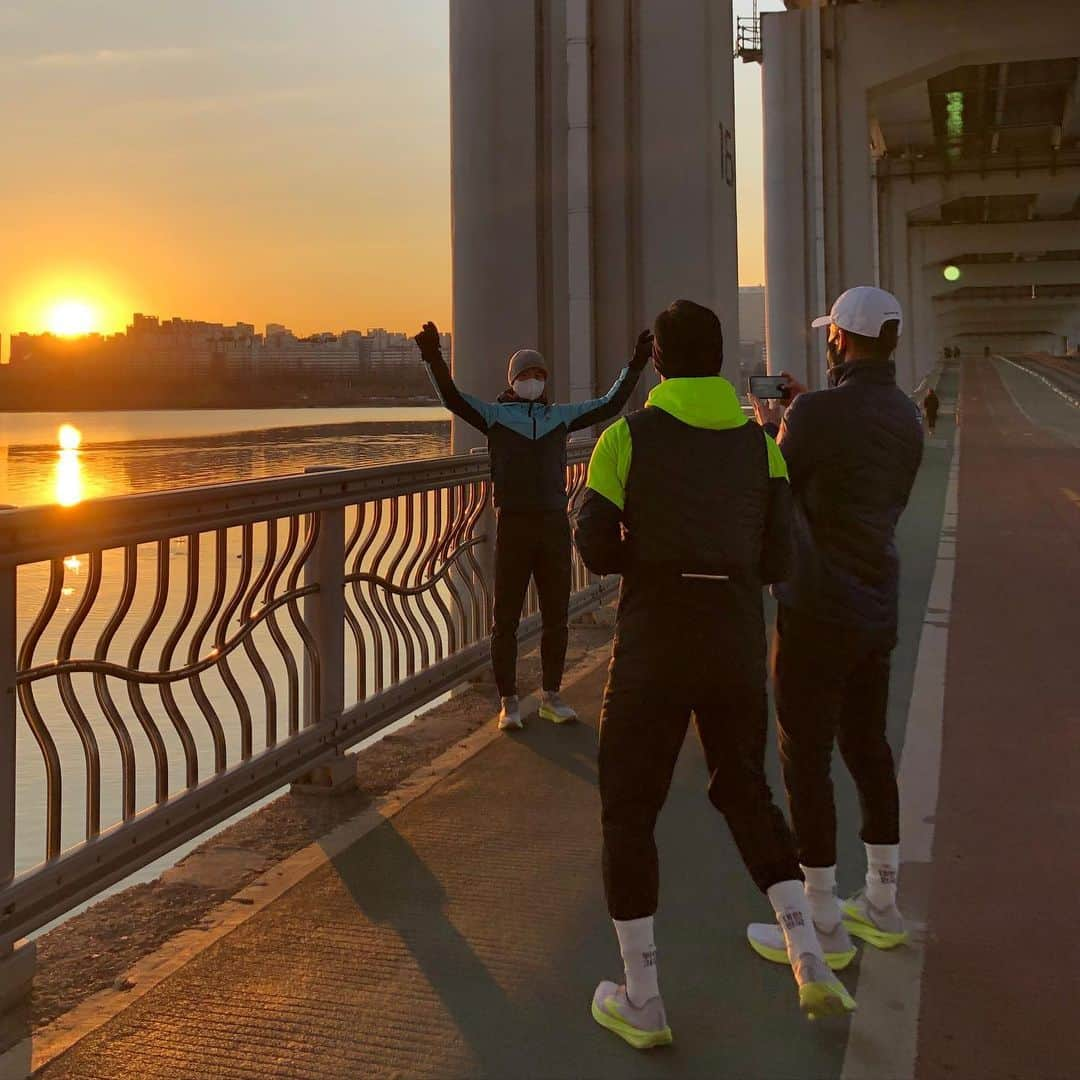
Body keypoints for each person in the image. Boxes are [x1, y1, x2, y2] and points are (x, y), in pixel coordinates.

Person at [574, 299, 856, 1051]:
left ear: (659, 362)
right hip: (733, 643)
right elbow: (778, 560)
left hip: (654, 645)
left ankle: (643, 997)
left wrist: (656, 553)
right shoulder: (758, 446)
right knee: (746, 789)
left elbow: (596, 547)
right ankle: (805, 957)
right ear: (723, 359)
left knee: (629, 811)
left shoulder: (623, 439)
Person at [746, 286, 923, 973]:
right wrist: (802, 410)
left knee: (805, 753)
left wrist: (773, 424)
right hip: (877, 602)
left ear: (840, 341)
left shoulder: (814, 413)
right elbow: (858, 472)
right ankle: (881, 900)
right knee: (868, 745)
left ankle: (819, 910)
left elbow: (777, 482)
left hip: (816, 606)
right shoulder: (907, 416)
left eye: (831, 336)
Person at [414, 321, 650, 731]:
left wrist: (637, 363)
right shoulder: (494, 416)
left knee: (556, 613)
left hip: (553, 525)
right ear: (512, 381)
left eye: (539, 375)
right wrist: (433, 356)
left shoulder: (559, 417)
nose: (533, 382)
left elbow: (610, 404)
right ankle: (509, 702)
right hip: (514, 526)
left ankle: (552, 696)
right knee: (505, 617)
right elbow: (452, 398)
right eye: (526, 376)